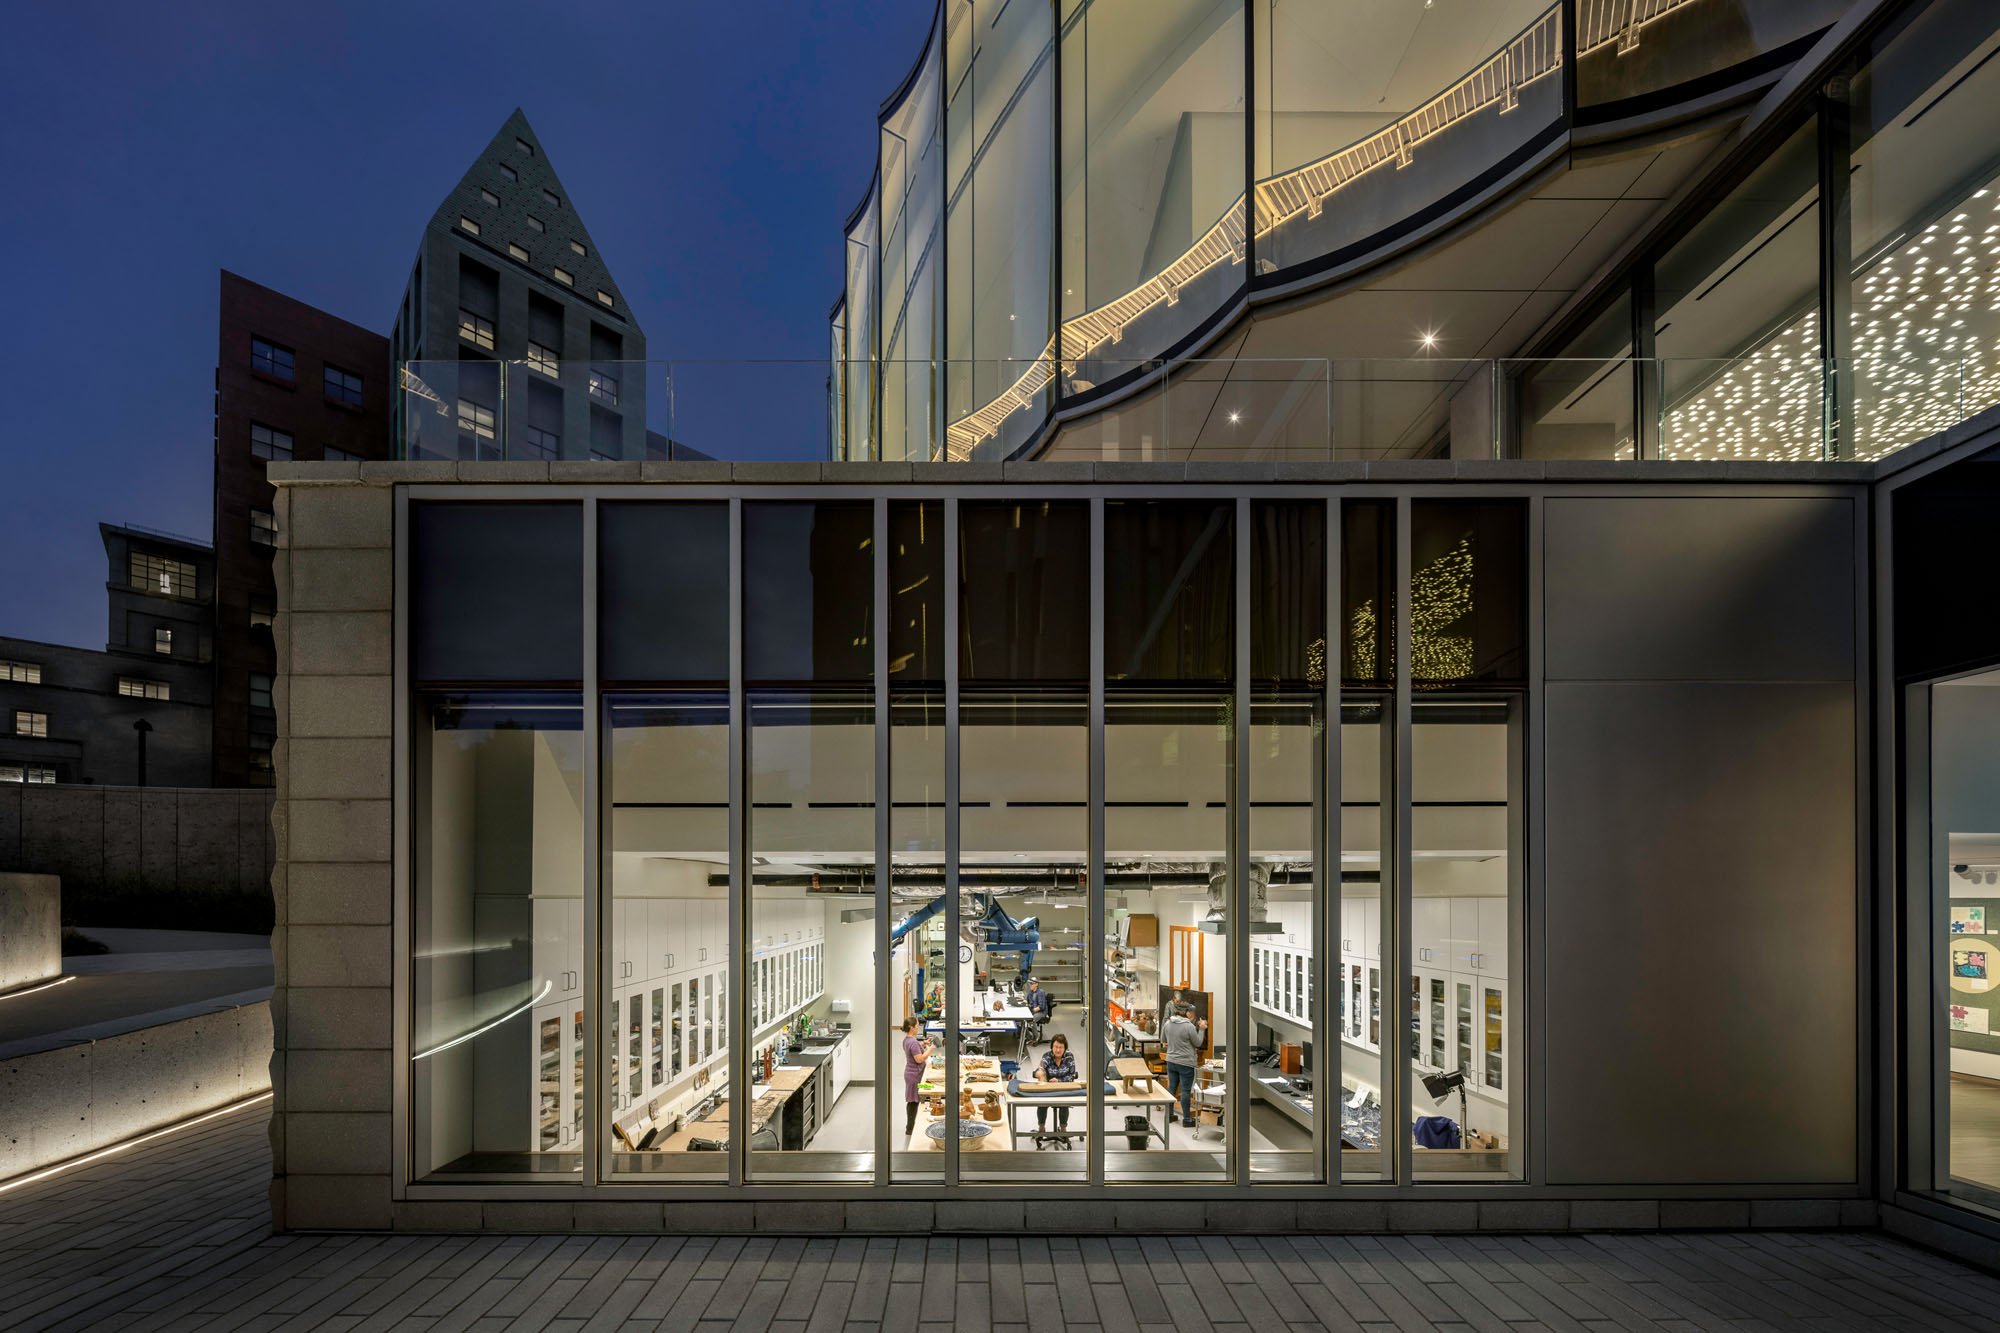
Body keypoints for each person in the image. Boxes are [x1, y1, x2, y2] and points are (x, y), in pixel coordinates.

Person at [1160, 1001, 1208, 1128]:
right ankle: (1187, 1119)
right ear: (1187, 1012)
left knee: (1172, 1088)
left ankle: (1169, 1115)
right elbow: (1197, 1043)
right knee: (1186, 1091)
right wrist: (1202, 1029)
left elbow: (1164, 1040)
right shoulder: (1188, 1026)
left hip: (1171, 1061)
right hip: (1186, 1063)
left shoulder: (1168, 1023)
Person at [1032, 1032, 1077, 1137]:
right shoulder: (1047, 1056)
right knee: (1042, 1104)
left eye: (1061, 1047)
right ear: (1052, 1047)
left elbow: (1072, 1075)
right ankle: (1041, 1128)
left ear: (1065, 1048)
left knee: (1064, 1103)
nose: (1057, 1050)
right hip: (1048, 1089)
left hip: (1063, 1088)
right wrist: (1040, 1071)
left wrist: (1059, 1081)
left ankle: (1063, 1129)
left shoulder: (1069, 1057)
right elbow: (1042, 1066)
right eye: (1055, 1047)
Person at [902, 1017, 934, 1138]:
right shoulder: (913, 1042)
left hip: (911, 1074)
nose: (918, 1027)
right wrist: (930, 1049)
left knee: (915, 1099)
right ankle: (909, 1129)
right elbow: (919, 1059)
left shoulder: (908, 1040)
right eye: (917, 1025)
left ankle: (912, 1126)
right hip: (914, 1076)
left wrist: (923, 1043)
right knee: (913, 1101)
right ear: (911, 1027)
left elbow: (913, 1047)